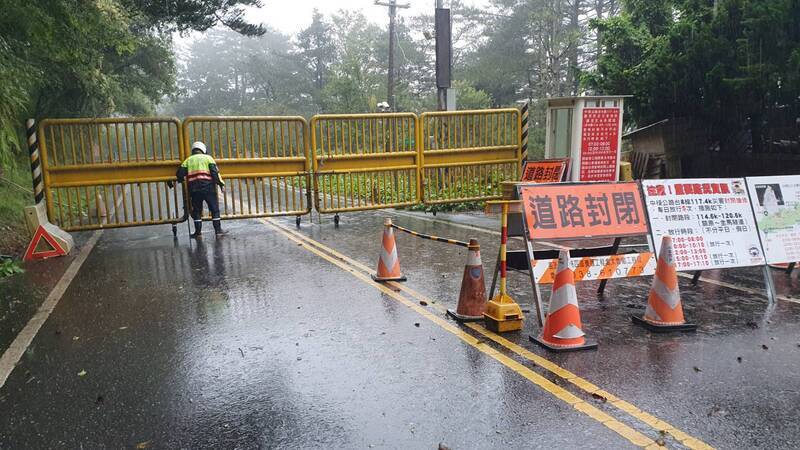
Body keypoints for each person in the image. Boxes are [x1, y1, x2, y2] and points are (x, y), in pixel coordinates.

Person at [176, 141, 227, 238]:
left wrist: (180, 180)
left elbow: (179, 174)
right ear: (203, 149)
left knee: (197, 211)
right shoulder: (208, 158)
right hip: (208, 188)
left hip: (194, 189)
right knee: (214, 209)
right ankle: (218, 231)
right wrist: (221, 184)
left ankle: (198, 233)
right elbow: (214, 173)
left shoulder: (188, 160)